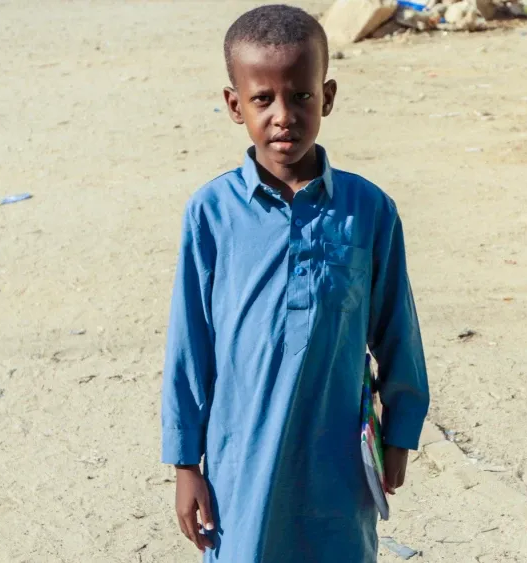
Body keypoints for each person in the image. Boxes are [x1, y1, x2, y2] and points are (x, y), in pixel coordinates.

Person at [160, 5, 430, 561]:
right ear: (235, 105)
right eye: (263, 99)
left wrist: (400, 429)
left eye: (301, 96)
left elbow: (397, 329)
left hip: (336, 458)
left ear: (327, 96)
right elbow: (190, 345)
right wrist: (186, 464)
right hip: (242, 459)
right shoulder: (212, 213)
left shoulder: (368, 210)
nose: (284, 115)